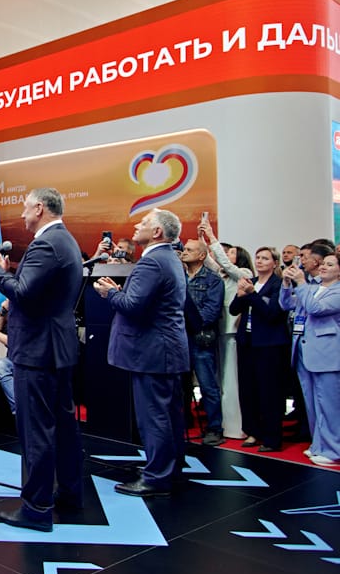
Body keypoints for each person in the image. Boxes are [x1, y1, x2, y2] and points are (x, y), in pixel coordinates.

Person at [0, 187, 84, 532]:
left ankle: (36, 507)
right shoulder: (65, 240)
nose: (22, 215)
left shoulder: (46, 244)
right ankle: (70, 493)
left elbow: (23, 294)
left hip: (38, 350)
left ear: (40, 208)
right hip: (56, 348)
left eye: (26, 208)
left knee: (37, 431)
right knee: (63, 426)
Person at [93, 208, 189, 497]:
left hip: (153, 351)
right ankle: (168, 469)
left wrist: (110, 293)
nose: (136, 225)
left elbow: (133, 306)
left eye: (144, 222)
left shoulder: (153, 262)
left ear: (157, 232)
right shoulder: (168, 258)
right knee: (167, 414)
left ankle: (157, 477)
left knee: (154, 416)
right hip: (164, 349)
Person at [281, 252, 340, 466]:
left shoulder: (337, 291)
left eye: (330, 264)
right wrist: (286, 284)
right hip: (305, 352)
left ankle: (334, 450)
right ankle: (319, 445)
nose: (323, 267)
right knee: (312, 404)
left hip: (328, 354)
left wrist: (301, 282)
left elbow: (315, 309)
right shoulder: (313, 288)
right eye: (323, 263)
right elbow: (286, 304)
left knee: (329, 405)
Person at [230, 246, 290, 452]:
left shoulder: (278, 284)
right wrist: (240, 295)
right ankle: (252, 431)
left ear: (275, 263)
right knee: (248, 389)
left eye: (265, 258)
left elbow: (272, 313)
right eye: (258, 257)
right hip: (247, 342)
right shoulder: (251, 281)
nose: (260, 261)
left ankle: (272, 437)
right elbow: (233, 310)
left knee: (269, 391)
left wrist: (252, 294)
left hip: (269, 344)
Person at [197, 220, 253, 440]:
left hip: (232, 332)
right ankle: (224, 423)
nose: (225, 256)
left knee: (231, 381)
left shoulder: (244, 273)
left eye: (231, 253)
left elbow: (225, 265)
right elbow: (209, 262)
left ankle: (236, 426)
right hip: (218, 331)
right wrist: (202, 240)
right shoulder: (221, 276)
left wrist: (212, 237)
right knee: (220, 380)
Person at [179, 238, 225, 445]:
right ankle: (184, 420)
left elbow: (211, 312)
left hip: (200, 338)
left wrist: (188, 323)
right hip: (179, 337)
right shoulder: (178, 277)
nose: (184, 252)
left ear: (201, 255)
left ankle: (215, 428)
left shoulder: (213, 280)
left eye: (189, 250)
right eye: (184, 249)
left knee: (208, 386)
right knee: (181, 385)